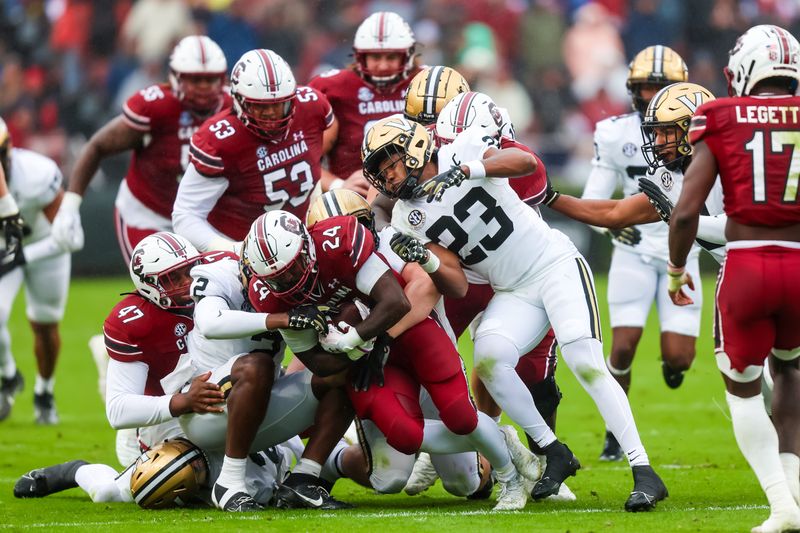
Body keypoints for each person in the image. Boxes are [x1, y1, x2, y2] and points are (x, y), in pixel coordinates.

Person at [364, 111, 667, 511]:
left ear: (417, 149)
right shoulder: (407, 217)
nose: (389, 177)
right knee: (489, 357)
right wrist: (428, 260)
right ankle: (550, 448)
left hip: (554, 264)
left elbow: (527, 163)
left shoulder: (462, 149)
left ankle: (643, 469)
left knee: (585, 359)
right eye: (381, 171)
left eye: (392, 162)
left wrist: (469, 169)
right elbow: (454, 284)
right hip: (513, 289)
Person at [304, 189, 539, 510]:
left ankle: (493, 443)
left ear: (370, 224)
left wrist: (371, 337)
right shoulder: (314, 272)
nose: (346, 243)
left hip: (423, 354)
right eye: (331, 236)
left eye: (355, 229)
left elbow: (424, 288)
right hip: (381, 370)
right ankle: (334, 461)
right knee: (387, 479)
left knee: (465, 482)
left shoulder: (389, 241)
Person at [667, 25, 800, 533]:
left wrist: (677, 269)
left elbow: (685, 213)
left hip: (745, 265)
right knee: (790, 370)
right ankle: (793, 481)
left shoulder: (721, 115)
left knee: (742, 387)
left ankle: (782, 504)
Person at [579, 45, 694, 461]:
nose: (653, 96)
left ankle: (673, 363)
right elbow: (596, 199)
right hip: (635, 248)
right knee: (623, 347)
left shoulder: (701, 130)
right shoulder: (614, 133)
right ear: (632, 90)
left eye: (663, 87)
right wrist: (610, 227)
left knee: (679, 358)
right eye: (646, 88)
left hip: (686, 248)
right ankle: (616, 429)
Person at [51, 35, 229, 262]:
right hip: (148, 216)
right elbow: (97, 146)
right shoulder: (156, 106)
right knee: (164, 290)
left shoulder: (233, 107)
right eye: (195, 80)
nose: (204, 88)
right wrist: (69, 206)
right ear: (175, 77)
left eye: (210, 80)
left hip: (200, 218)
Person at [173, 49, 338, 253]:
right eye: (260, 107)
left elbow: (315, 161)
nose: (271, 115)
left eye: (278, 105)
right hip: (238, 251)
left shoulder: (311, 107)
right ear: (239, 101)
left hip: (300, 244)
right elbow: (185, 215)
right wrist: (235, 250)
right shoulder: (221, 140)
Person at [0, 118, 81, 425]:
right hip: (4, 251)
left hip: (45, 248)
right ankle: (8, 376)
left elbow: (72, 237)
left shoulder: (36, 174)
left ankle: (44, 392)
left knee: (45, 327)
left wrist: (22, 256)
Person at [308, 11, 421, 192]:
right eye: (375, 57)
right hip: (354, 200)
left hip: (419, 194)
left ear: (406, 56)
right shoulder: (334, 89)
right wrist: (339, 185)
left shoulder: (428, 83)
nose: (383, 65)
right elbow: (302, 160)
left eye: (391, 57)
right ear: (361, 57)